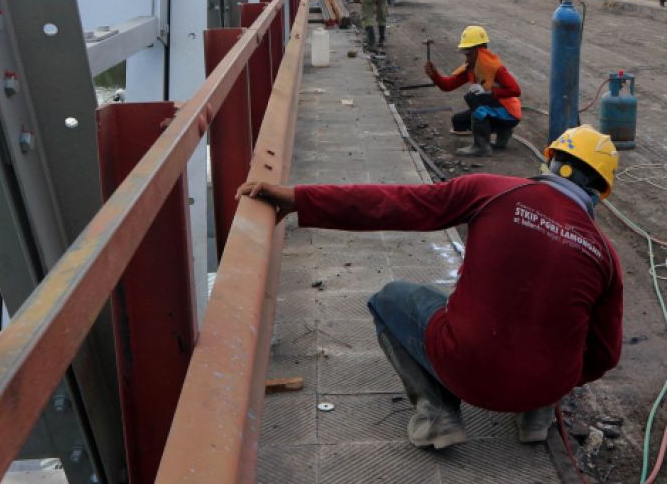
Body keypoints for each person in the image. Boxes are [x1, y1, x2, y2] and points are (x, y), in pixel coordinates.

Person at [236, 124, 623, 449]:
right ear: (599, 194)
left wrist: (301, 199)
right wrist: (546, 379)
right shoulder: (606, 255)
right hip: (545, 387)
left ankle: (438, 416)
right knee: (553, 319)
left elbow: (395, 203)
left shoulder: (494, 190)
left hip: (465, 371)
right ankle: (536, 420)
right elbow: (604, 356)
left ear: (550, 162)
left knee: (390, 299)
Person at [424, 25, 521, 157]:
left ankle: (481, 146)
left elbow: (515, 90)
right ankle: (503, 133)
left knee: (472, 97)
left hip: (509, 114)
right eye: (465, 53)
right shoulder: (472, 67)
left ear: (480, 50)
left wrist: (490, 92)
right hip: (498, 111)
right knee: (458, 121)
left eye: (469, 54)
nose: (467, 57)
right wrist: (434, 75)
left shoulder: (496, 68)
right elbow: (448, 85)